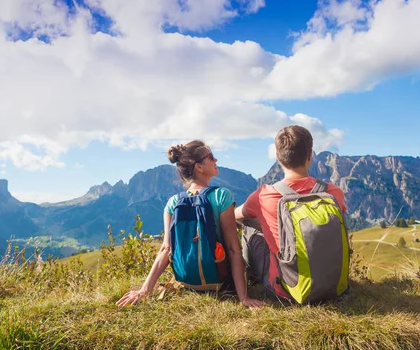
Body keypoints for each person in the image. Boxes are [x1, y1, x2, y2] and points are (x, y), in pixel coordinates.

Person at [117, 140, 264, 308]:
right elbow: (232, 249)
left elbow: (166, 249)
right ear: (199, 167)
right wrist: (244, 298)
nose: (215, 160)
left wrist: (145, 290)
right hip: (220, 282)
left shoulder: (173, 202)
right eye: (211, 157)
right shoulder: (222, 196)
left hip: (187, 283)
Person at [235, 125, 347, 301]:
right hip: (333, 286)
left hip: (286, 291)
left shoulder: (264, 195)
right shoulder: (333, 193)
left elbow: (236, 216)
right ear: (310, 155)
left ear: (278, 158)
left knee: (249, 224)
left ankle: (249, 279)